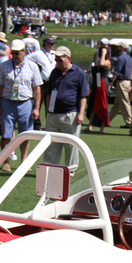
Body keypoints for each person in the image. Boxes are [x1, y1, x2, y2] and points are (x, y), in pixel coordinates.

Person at [0, 39, 42, 171]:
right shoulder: (4, 66)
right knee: (6, 133)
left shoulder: (32, 66)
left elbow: (37, 89)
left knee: (25, 133)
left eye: (17, 53)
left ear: (23, 52)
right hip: (8, 102)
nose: (14, 56)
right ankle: (6, 161)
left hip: (25, 102)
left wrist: (37, 108)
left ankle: (24, 161)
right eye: (13, 53)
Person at [42, 46, 88, 175]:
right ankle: (49, 170)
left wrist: (81, 113)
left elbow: (83, 95)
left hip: (70, 114)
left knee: (71, 146)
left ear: (68, 58)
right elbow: (49, 93)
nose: (57, 62)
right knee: (51, 144)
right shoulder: (54, 72)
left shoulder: (78, 73)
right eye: (56, 60)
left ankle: (70, 172)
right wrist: (48, 112)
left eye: (60, 60)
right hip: (53, 114)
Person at [86, 38, 110, 132]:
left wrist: (104, 54)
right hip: (96, 83)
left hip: (103, 84)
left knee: (103, 104)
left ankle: (102, 127)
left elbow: (102, 64)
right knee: (93, 104)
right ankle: (90, 125)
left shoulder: (107, 61)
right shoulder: (98, 59)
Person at [107, 40, 132, 128]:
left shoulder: (121, 58)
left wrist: (111, 83)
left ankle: (130, 122)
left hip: (122, 82)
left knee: (124, 102)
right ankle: (107, 120)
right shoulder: (129, 57)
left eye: (118, 46)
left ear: (122, 48)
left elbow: (116, 72)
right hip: (128, 81)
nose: (116, 48)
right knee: (117, 103)